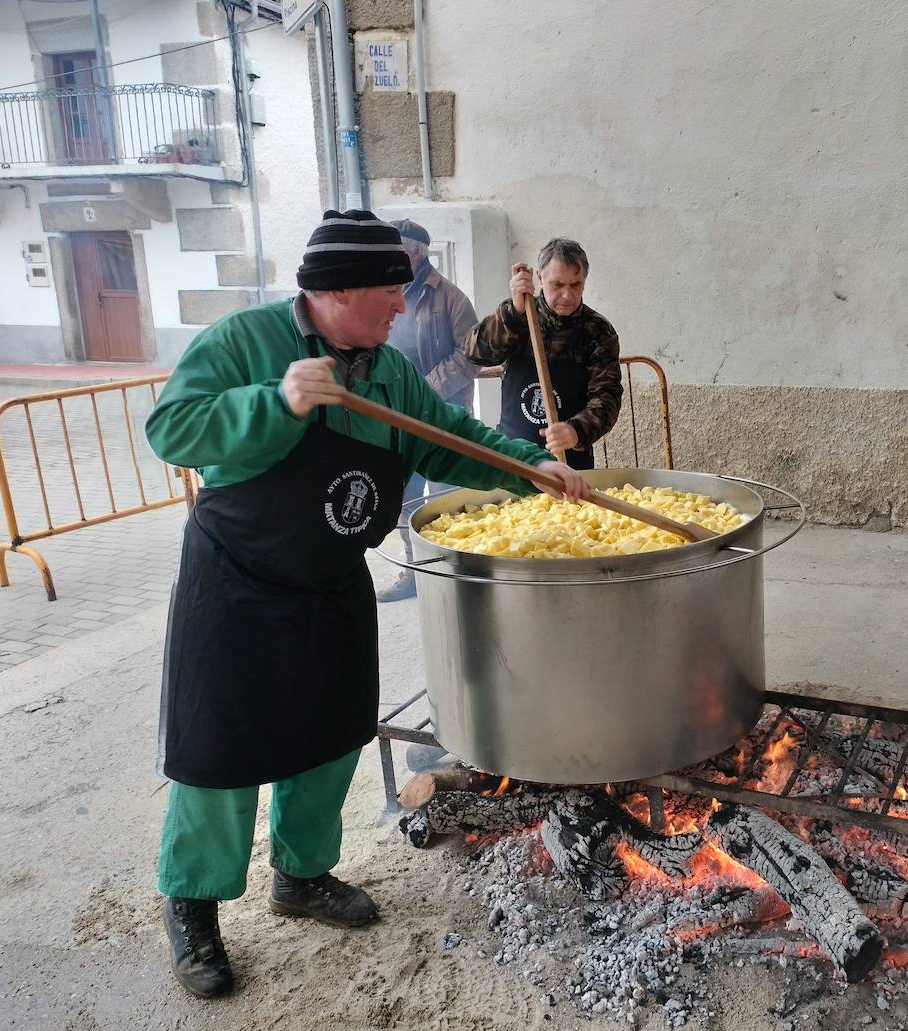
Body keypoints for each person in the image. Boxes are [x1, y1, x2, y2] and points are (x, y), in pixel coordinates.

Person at [144, 209, 589, 1000]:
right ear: (338, 291)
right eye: (390, 292)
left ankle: (303, 875)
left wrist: (529, 465)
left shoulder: (384, 367)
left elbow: (446, 434)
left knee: (329, 730)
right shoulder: (245, 341)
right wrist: (275, 400)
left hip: (330, 574)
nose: (401, 306)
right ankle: (194, 904)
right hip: (239, 578)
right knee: (220, 746)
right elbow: (171, 427)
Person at [377, 219, 479, 603]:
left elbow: (471, 356)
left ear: (417, 253)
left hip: (442, 415)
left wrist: (422, 390)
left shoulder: (451, 298)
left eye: (398, 250)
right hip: (396, 418)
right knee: (404, 498)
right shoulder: (385, 292)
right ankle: (414, 573)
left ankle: (453, 575)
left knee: (447, 498)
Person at [465, 238, 622, 469]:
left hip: (569, 461)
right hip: (513, 455)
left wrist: (576, 431)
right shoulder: (519, 315)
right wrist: (514, 313)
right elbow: (475, 352)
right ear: (540, 279)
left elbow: (607, 396)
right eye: (557, 285)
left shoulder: (597, 331)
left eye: (575, 285)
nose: (567, 295)